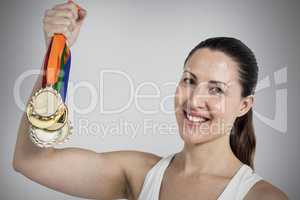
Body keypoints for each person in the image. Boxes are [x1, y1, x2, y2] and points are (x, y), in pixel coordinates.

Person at [13, 2, 288, 200]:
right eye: (189, 80)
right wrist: (56, 55)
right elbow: (30, 161)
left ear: (244, 105)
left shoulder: (262, 196)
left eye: (216, 89)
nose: (194, 100)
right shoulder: (138, 174)